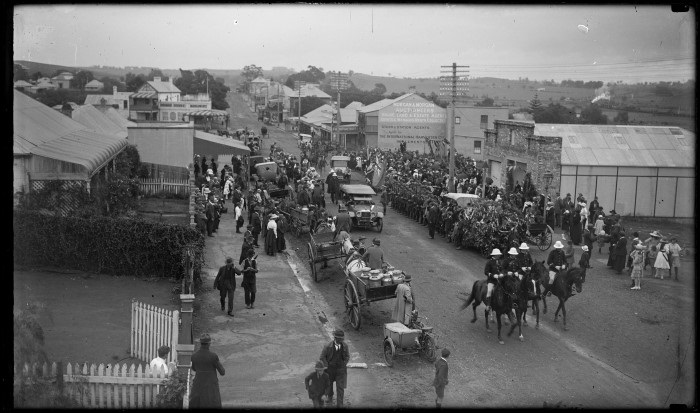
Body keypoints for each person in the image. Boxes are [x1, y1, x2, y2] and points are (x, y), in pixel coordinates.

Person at [189, 333, 225, 408]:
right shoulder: (213, 356)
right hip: (211, 387)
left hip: (198, 386)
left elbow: (194, 368)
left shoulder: (194, 356)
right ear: (209, 343)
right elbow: (222, 372)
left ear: (200, 343)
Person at [319, 329, 350, 407]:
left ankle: (340, 404)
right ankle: (329, 401)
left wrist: (344, 363)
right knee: (329, 387)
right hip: (330, 369)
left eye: (342, 339)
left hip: (340, 370)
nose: (341, 340)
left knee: (340, 388)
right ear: (335, 338)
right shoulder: (327, 346)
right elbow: (322, 357)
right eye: (339, 339)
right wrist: (326, 365)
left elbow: (347, 356)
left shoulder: (345, 346)